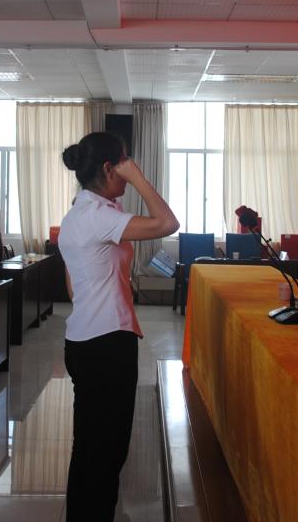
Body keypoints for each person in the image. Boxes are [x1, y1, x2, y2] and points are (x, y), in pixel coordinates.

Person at [58, 132, 178, 521]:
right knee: (107, 451)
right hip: (108, 343)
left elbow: (72, 285)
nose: (128, 172)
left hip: (83, 339)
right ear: (109, 168)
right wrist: (139, 177)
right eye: (124, 164)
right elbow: (167, 223)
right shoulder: (99, 217)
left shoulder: (80, 213)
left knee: (89, 446)